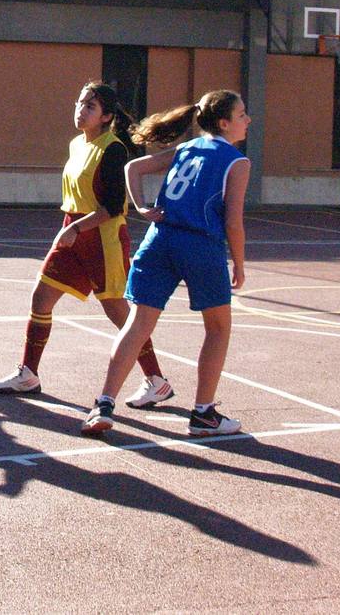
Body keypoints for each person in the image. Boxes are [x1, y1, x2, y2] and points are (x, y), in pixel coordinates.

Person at [0, 82, 173, 406]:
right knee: (41, 297)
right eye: (79, 102)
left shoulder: (113, 149)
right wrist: (72, 229)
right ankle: (28, 373)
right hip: (74, 229)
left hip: (102, 237)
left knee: (119, 313)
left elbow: (114, 206)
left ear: (106, 117)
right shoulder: (77, 145)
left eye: (90, 106)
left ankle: (156, 380)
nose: (81, 110)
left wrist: (77, 228)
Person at [81, 90, 251, 437]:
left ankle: (104, 403)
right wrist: (240, 263)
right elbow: (233, 221)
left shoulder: (186, 149)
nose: (248, 120)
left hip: (159, 240)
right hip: (200, 244)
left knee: (138, 324)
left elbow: (134, 167)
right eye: (243, 114)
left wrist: (141, 207)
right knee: (217, 328)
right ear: (224, 122)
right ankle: (203, 414)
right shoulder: (236, 161)